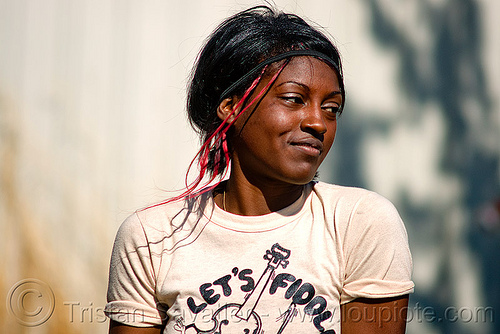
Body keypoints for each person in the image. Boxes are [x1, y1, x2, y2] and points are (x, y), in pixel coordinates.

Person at [105, 5, 414, 334]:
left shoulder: (360, 224)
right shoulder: (150, 238)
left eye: (331, 108)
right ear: (231, 107)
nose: (317, 122)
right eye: (294, 98)